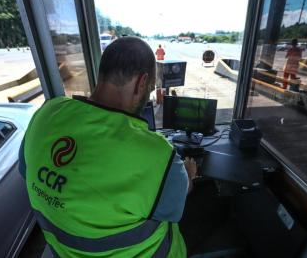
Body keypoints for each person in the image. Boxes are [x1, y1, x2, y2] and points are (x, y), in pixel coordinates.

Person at [19, 37, 195, 257]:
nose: (148, 94)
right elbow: (175, 203)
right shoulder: (158, 156)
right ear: (141, 83)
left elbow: (27, 171)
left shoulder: (46, 114)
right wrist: (188, 175)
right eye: (150, 89)